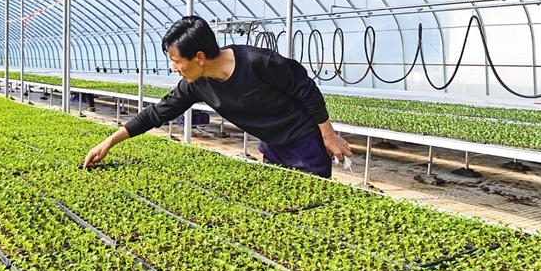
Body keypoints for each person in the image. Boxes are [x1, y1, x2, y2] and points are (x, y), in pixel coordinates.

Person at [82, 16, 352, 178]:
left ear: (199, 57)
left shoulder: (258, 62)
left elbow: (306, 89)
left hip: (306, 145)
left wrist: (328, 135)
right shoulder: (196, 84)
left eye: (177, 61)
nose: (174, 68)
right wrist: (109, 143)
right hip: (272, 147)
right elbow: (157, 113)